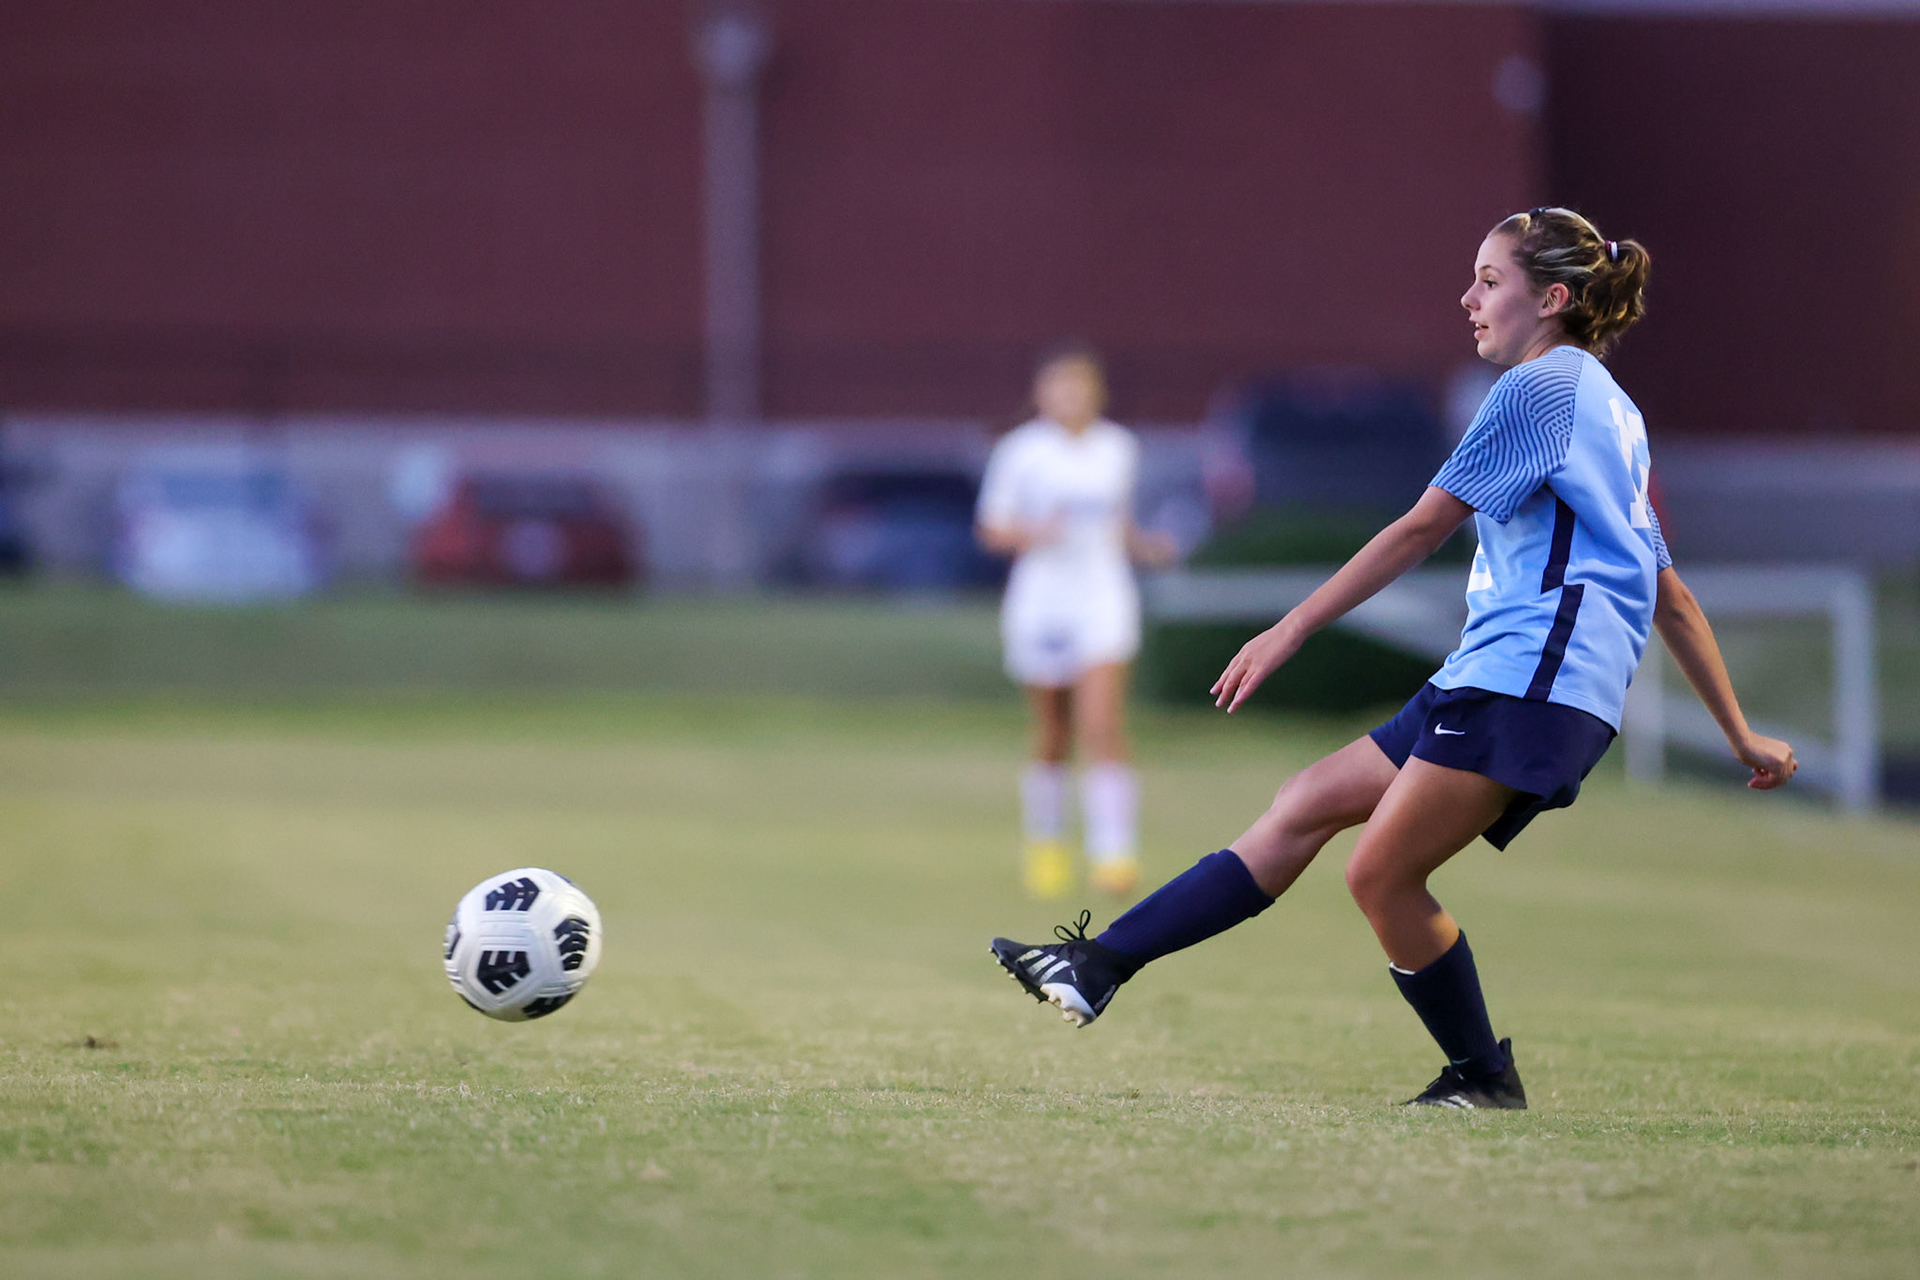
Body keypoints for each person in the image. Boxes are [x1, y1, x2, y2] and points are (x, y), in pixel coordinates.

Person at [990, 209, 1798, 1108]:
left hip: (1527, 681)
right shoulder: (1613, 407)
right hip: (1505, 674)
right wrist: (1740, 732)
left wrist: (1289, 628)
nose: (1469, 299)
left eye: (1491, 282)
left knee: (1378, 873)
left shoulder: (1537, 392)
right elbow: (1669, 592)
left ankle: (1483, 1078)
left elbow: (1422, 526)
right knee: (1302, 806)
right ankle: (1096, 965)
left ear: (1554, 299)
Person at [976, 344, 1177, 900]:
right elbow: (993, 529)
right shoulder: (1021, 451)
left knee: (1102, 724)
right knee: (1052, 732)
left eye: (1079, 388)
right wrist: (1035, 532)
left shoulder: (1118, 448)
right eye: (1058, 388)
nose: (1069, 399)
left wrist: (1147, 547)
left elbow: (1119, 526)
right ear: (1041, 395)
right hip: (1042, 599)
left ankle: (1114, 854)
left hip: (1102, 596)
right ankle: (1045, 842)